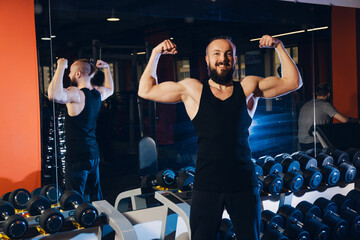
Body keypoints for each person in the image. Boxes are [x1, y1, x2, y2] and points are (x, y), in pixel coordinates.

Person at [138, 36, 302, 240]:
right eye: (216, 53)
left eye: (228, 54)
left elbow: (293, 82)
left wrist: (279, 46)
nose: (222, 58)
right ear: (207, 59)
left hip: (243, 182)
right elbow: (145, 90)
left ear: (234, 59)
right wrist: (155, 53)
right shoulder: (193, 90)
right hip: (207, 183)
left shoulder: (248, 87)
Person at [48, 58, 114, 201]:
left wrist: (60, 66)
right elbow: (110, 89)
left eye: (70, 72)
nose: (68, 75)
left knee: (74, 199)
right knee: (96, 197)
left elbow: (53, 94)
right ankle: (101, 222)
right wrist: (107, 69)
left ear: (78, 74)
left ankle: (81, 223)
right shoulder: (98, 93)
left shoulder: (76, 94)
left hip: (77, 156)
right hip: (93, 154)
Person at [298, 83, 358, 151]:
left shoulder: (306, 104)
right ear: (329, 94)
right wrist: (357, 120)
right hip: (314, 143)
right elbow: (344, 120)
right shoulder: (325, 105)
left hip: (302, 143)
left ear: (316, 93)